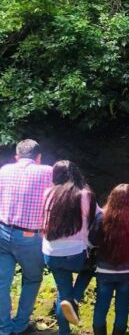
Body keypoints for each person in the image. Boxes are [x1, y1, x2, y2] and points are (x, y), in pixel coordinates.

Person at [0, 140, 52, 335]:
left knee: (1, 283)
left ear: (17, 156)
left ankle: (3, 328)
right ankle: (20, 325)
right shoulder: (47, 171)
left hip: (2, 231)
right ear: (38, 157)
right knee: (31, 279)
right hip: (29, 236)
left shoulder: (4, 170)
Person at [42, 160, 98, 335]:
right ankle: (75, 297)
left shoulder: (48, 193)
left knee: (62, 295)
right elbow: (99, 216)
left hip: (50, 253)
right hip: (75, 255)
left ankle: (64, 332)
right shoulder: (85, 194)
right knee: (91, 269)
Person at [90, 184, 129, 335]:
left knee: (101, 305)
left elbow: (92, 240)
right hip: (128, 270)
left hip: (104, 269)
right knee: (122, 307)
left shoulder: (102, 216)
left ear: (112, 197)